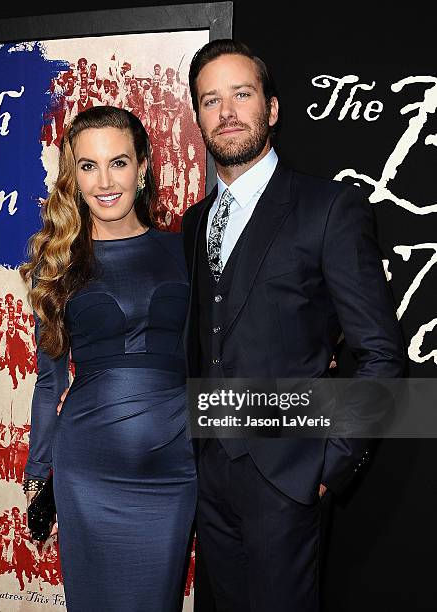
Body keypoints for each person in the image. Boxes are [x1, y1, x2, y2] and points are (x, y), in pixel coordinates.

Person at [182, 39, 405, 611]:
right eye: (211, 100)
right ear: (198, 115)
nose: (227, 112)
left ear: (272, 109)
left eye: (242, 94)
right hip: (208, 475)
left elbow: (381, 353)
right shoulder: (195, 223)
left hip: (288, 475)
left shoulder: (328, 208)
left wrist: (330, 465)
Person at [20, 105, 196, 611]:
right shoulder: (56, 264)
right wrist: (39, 473)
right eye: (88, 165)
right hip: (89, 469)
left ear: (142, 168)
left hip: (175, 464)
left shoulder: (185, 251)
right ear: (72, 177)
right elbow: (48, 382)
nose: (104, 182)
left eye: (117, 162)